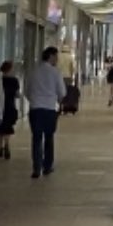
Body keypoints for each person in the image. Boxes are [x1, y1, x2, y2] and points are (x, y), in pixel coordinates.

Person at [25, 46, 67, 179]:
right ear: (51, 56)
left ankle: (36, 168)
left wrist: (34, 100)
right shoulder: (55, 73)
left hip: (35, 109)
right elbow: (62, 93)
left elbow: (27, 90)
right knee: (49, 138)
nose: (57, 60)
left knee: (36, 139)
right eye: (56, 57)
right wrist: (59, 101)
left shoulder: (34, 72)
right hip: (49, 109)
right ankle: (47, 166)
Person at [0, 61, 20, 161]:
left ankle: (0, 148)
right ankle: (7, 145)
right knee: (7, 128)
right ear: (10, 69)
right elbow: (17, 94)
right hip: (10, 106)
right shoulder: (14, 80)